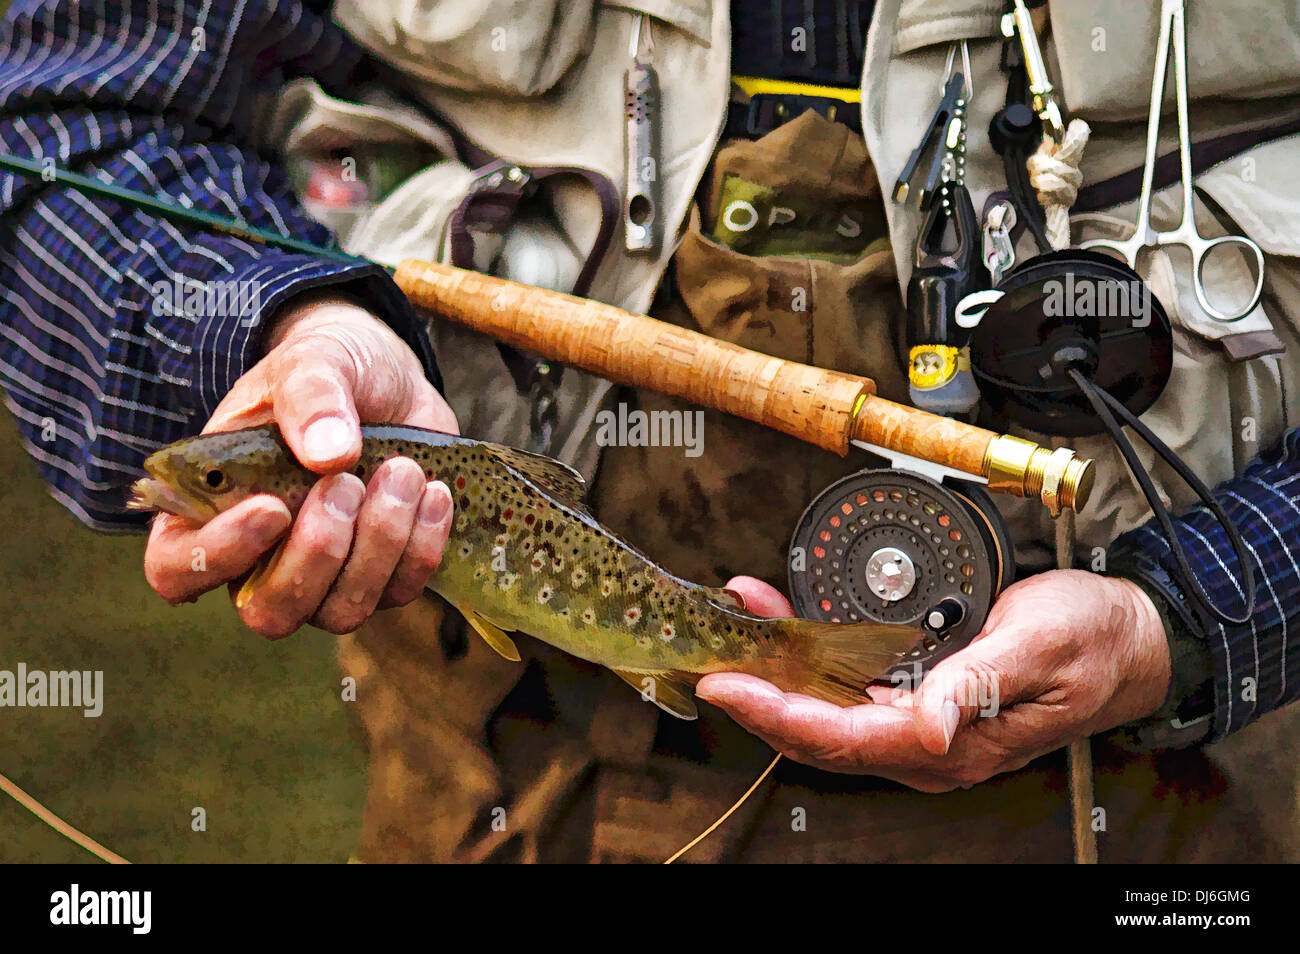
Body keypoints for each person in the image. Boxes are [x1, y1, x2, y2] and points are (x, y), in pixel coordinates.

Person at [1, 0, 1296, 862]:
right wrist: (275, 327)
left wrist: (1203, 606)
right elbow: (71, 123)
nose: (183, 487)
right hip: (486, 793)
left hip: (1133, 793)